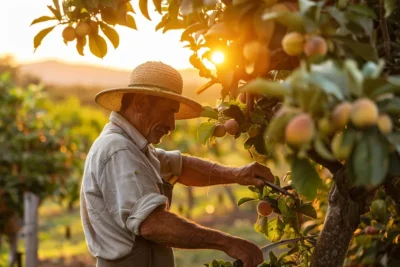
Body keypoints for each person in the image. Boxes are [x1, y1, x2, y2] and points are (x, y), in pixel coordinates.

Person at [80, 61, 275, 267]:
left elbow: (180, 167)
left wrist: (237, 174)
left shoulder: (135, 147)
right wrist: (227, 243)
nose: (172, 125)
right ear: (140, 104)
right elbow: (152, 224)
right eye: (168, 112)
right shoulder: (119, 150)